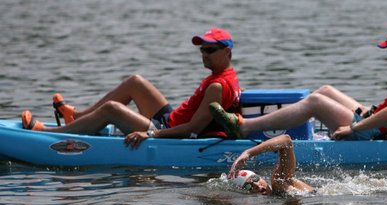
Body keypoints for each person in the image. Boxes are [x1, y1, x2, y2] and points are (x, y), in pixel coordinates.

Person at [209, 23, 387, 141]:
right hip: (376, 121)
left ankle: (244, 127)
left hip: (374, 132)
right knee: (326, 90)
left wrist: (353, 127)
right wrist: (366, 112)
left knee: (315, 102)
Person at [21, 27, 241, 148]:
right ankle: (77, 118)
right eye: (202, 50)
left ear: (227, 52)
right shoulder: (222, 75)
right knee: (136, 82)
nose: (204, 54)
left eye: (210, 50)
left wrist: (151, 134)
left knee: (112, 109)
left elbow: (192, 130)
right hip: (171, 119)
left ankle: (50, 135)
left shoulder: (217, 86)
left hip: (169, 131)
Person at [229, 134, 314, 196]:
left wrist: (248, 153)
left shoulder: (279, 182)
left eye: (255, 178)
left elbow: (286, 141)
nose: (257, 185)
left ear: (261, 177)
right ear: (245, 192)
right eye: (248, 186)